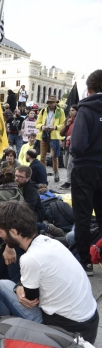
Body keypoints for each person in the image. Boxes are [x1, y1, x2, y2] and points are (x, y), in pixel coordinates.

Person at [0, 201, 98, 343]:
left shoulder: (30, 258)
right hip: (89, 326)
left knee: (2, 286)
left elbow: (31, 299)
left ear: (14, 231)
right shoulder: (50, 242)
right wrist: (20, 285)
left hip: (65, 334)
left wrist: (18, 287)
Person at [70, 70, 102, 277]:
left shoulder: (85, 109)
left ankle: (85, 262)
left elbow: (78, 144)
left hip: (85, 168)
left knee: (82, 216)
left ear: (89, 89)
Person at [35, 95, 66, 183]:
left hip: (54, 135)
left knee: (54, 156)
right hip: (44, 134)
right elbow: (37, 123)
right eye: (50, 102)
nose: (52, 104)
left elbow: (63, 124)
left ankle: (56, 172)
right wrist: (42, 126)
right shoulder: (43, 111)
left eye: (53, 102)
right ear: (48, 103)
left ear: (56, 102)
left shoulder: (60, 111)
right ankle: (43, 173)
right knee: (42, 156)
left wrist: (55, 127)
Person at [59, 105, 78, 190]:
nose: (71, 112)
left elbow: (80, 132)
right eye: (70, 110)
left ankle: (68, 182)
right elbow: (62, 133)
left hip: (73, 145)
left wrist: (72, 136)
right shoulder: (68, 120)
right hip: (66, 145)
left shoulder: (79, 120)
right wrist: (67, 125)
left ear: (77, 111)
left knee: (70, 164)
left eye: (73, 110)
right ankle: (73, 180)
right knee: (66, 164)